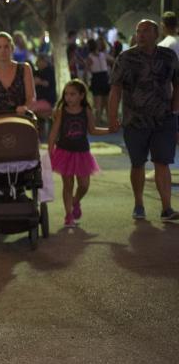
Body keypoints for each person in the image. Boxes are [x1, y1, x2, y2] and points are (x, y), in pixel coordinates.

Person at [108, 20, 179, 222]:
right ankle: (139, 203)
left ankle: (167, 208)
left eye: (146, 31)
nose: (140, 34)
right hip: (135, 120)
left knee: (162, 162)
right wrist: (113, 118)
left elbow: (177, 83)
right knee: (137, 163)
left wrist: (174, 110)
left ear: (156, 34)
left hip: (163, 119)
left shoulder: (168, 56)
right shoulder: (125, 58)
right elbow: (115, 90)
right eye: (138, 31)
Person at [48, 80, 110, 227]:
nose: (68, 97)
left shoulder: (86, 111)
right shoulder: (61, 111)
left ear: (81, 96)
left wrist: (110, 130)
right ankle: (68, 215)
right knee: (67, 185)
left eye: (72, 94)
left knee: (84, 185)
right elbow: (54, 132)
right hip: (64, 152)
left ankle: (75, 202)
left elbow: (93, 130)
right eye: (66, 94)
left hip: (82, 153)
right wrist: (50, 149)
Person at [85, 38, 113, 124]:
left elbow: (87, 69)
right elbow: (114, 60)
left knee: (99, 104)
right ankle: (103, 121)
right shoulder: (102, 55)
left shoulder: (100, 55)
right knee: (104, 103)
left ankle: (99, 122)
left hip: (98, 78)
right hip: (102, 78)